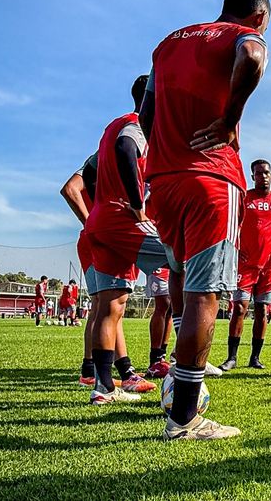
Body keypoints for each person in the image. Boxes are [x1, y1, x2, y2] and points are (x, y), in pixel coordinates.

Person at [140, 0, 271, 440]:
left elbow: (146, 110)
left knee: (180, 281)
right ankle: (184, 416)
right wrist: (230, 120)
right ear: (259, 17)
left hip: (163, 178)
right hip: (211, 178)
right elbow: (253, 57)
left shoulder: (168, 43)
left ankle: (178, 380)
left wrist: (164, 149)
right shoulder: (243, 36)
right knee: (204, 294)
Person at [84, 74, 166, 405]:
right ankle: (183, 366)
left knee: (111, 305)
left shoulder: (110, 126)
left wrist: (99, 203)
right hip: (122, 221)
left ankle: (104, 388)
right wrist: (136, 205)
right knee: (189, 254)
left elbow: (89, 172)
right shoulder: (136, 125)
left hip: (101, 223)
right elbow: (126, 148)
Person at [218, 159, 271, 371]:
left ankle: (255, 358)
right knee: (240, 309)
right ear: (252, 176)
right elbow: (227, 223)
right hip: (244, 266)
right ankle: (231, 357)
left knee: (263, 311)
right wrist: (234, 249)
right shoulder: (243, 198)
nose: (263, 176)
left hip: (270, 267)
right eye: (259, 173)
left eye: (267, 173)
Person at [144, 267, 173, 378]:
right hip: (158, 263)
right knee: (163, 304)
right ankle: (155, 359)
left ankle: (161, 356)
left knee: (170, 308)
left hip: (173, 262)